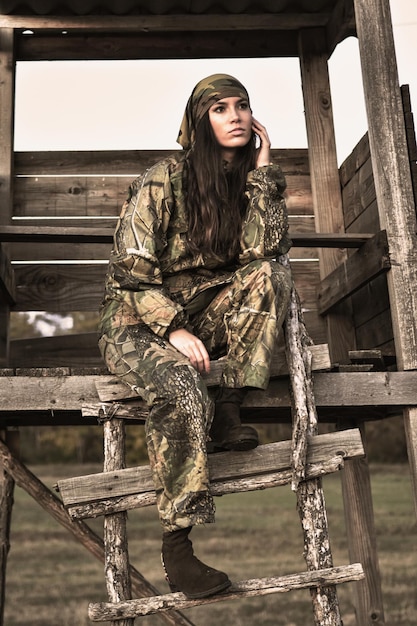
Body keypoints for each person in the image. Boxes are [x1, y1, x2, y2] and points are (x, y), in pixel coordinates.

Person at [98, 74, 292, 600]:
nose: (235, 116)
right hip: (136, 321)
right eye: (220, 108)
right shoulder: (163, 179)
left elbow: (264, 255)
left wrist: (263, 174)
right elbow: (130, 273)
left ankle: (229, 409)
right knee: (181, 385)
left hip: (204, 318)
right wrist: (174, 327)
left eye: (243, 106)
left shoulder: (246, 185)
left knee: (274, 275)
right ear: (199, 122)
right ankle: (177, 547)